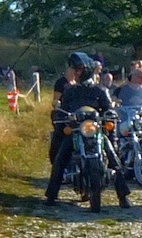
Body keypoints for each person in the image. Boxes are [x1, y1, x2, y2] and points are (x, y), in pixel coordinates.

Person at [45, 65, 129, 207]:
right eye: (77, 72)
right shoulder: (70, 91)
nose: (78, 75)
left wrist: (110, 115)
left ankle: (123, 196)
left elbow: (109, 109)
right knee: (60, 158)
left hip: (96, 131)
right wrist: (62, 117)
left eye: (80, 72)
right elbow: (63, 110)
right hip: (76, 130)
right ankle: (51, 195)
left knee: (113, 158)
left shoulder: (100, 91)